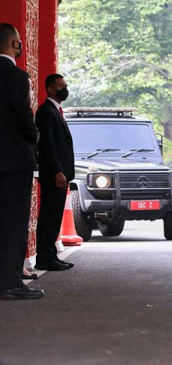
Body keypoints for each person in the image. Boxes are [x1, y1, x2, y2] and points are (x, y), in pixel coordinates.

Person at [0, 23, 43, 300]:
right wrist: (35, 136)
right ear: (14, 43)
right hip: (14, 162)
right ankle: (10, 283)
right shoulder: (17, 77)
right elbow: (24, 120)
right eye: (18, 40)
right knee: (13, 223)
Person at [35, 73, 75, 272]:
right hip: (54, 175)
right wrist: (58, 170)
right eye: (60, 86)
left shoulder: (56, 111)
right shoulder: (45, 112)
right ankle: (45, 256)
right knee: (49, 216)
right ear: (50, 88)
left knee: (54, 216)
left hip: (61, 174)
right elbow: (47, 145)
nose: (64, 89)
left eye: (65, 85)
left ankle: (51, 255)